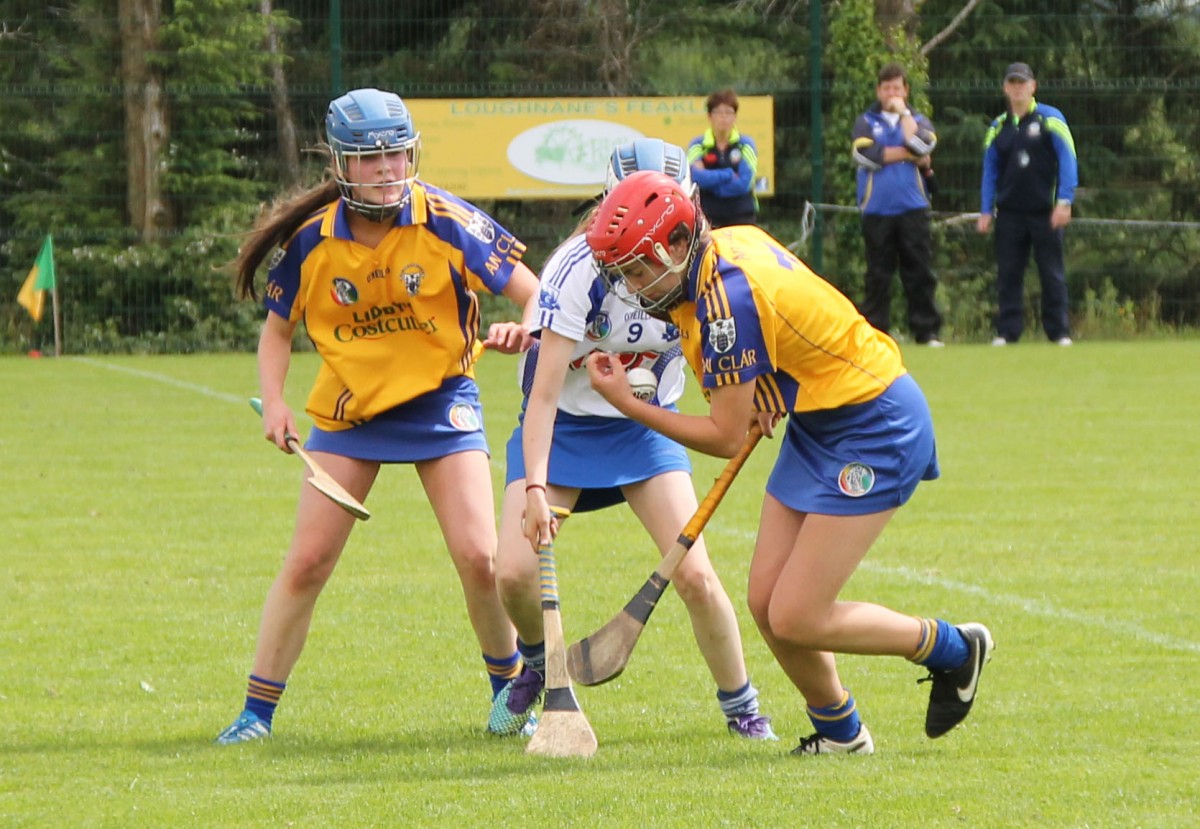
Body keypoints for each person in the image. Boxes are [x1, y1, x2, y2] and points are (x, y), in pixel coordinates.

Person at [582, 170, 994, 755]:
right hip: (820, 418)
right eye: (623, 272)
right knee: (765, 602)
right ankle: (839, 732)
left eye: (639, 268)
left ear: (677, 243)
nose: (633, 285)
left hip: (875, 425)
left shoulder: (726, 303)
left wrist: (627, 404)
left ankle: (954, 649)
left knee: (797, 614)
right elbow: (799, 317)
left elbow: (726, 436)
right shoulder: (719, 248)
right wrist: (774, 378)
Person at [216, 87, 539, 744]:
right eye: (370, 158)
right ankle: (256, 712)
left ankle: (509, 690)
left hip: (442, 401)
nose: (387, 168)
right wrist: (275, 402)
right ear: (341, 163)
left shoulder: (447, 219)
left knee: (481, 557)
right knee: (307, 561)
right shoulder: (313, 240)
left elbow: (534, 293)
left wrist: (523, 328)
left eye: (396, 153)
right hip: (349, 411)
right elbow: (277, 333)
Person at [488, 139, 776, 741]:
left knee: (695, 577)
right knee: (511, 572)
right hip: (563, 426)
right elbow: (541, 397)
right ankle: (541, 662)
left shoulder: (706, 266)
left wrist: (767, 387)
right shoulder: (576, 270)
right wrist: (536, 487)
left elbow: (743, 341)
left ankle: (743, 707)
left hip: (643, 428)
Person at [978, 62, 1078, 346]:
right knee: (1009, 273)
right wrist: (986, 210)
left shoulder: (1050, 118)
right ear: (1005, 88)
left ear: (1032, 86)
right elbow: (990, 170)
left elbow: (1068, 159)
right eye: (1012, 83)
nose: (1018, 87)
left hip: (1045, 212)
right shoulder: (998, 127)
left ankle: (1059, 332)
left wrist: (1065, 201)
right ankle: (1007, 332)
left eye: (1022, 82)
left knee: (1052, 272)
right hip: (1009, 213)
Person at [852, 63, 944, 347]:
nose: (892, 93)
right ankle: (877, 336)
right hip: (876, 209)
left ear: (906, 90)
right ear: (879, 91)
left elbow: (922, 145)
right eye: (886, 88)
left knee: (919, 271)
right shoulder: (866, 121)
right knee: (878, 275)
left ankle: (926, 332)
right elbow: (867, 155)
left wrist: (904, 116)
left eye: (897, 88)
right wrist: (909, 154)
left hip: (913, 207)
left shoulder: (917, 118)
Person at [687, 89, 759, 228]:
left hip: (742, 217)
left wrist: (712, 185)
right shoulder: (698, 145)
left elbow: (745, 183)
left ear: (735, 117)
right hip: (706, 218)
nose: (724, 117)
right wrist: (729, 174)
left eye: (729, 112)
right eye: (718, 112)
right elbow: (695, 177)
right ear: (709, 116)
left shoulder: (746, 145)